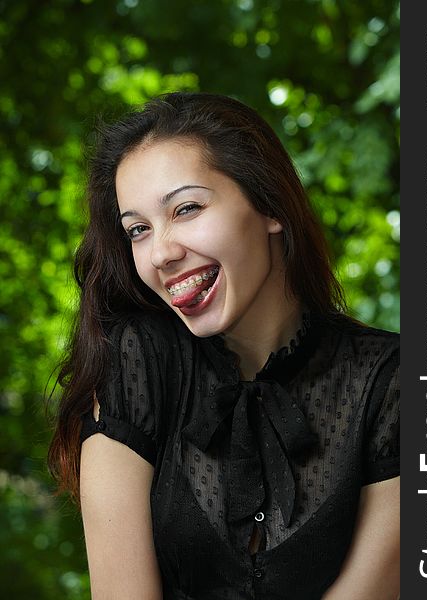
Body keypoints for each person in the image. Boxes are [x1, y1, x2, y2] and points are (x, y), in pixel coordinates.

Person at [48, 92, 399, 600]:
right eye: (138, 230)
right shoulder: (135, 364)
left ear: (270, 204)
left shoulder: (398, 381)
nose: (161, 253)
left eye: (186, 208)